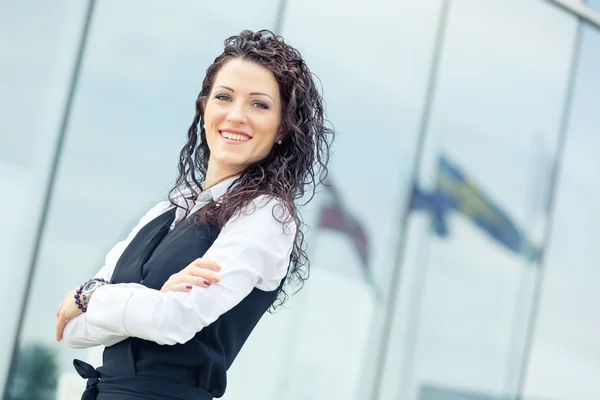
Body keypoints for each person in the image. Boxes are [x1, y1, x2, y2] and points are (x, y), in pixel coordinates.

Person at [54, 29, 334, 400]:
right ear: (204, 108)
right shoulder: (165, 211)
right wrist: (150, 297)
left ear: (283, 127)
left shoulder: (266, 215)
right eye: (224, 97)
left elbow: (173, 321)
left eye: (259, 105)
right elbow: (71, 331)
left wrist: (92, 296)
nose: (236, 115)